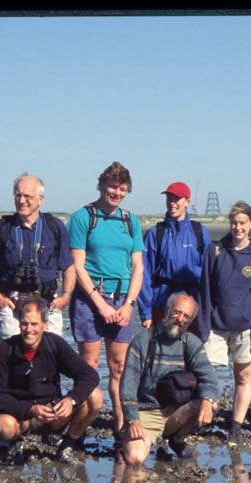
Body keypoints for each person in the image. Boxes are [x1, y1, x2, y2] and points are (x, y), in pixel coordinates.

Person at [67, 161, 144, 442]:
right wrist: (100, 304)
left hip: (123, 297)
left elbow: (138, 266)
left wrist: (129, 304)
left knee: (120, 366)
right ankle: (80, 426)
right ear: (101, 185)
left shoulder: (129, 220)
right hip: (90, 301)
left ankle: (122, 424)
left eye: (122, 188)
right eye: (112, 186)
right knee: (88, 365)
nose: (117, 192)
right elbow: (77, 265)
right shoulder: (82, 218)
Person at [0, 297, 104, 463]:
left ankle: (69, 444)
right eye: (24, 323)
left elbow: (89, 375)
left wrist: (71, 400)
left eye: (34, 324)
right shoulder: (5, 349)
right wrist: (31, 409)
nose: (28, 329)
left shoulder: (55, 344)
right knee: (2, 425)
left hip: (53, 414)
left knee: (95, 396)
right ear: (19, 323)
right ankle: (14, 443)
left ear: (44, 325)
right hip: (22, 416)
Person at [198, 201, 251, 443]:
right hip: (217, 327)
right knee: (206, 374)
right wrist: (203, 326)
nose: (238, 227)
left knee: (243, 376)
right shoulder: (215, 250)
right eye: (234, 223)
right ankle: (207, 413)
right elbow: (205, 290)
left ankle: (236, 426)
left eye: (242, 223)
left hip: (245, 328)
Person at [0, 173, 76, 341]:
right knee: (11, 360)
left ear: (40, 199)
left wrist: (66, 297)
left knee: (49, 360)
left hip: (48, 305)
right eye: (18, 195)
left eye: (27, 196)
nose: (22, 201)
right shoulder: (1, 228)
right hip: (12, 306)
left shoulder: (54, 227)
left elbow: (69, 267)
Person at [119, 293, 219, 466]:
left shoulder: (191, 342)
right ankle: (128, 439)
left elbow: (208, 376)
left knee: (211, 404)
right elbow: (128, 384)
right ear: (167, 310)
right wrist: (132, 419)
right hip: (147, 412)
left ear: (190, 321)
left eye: (186, 316)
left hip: (176, 410)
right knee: (134, 458)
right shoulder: (143, 340)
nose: (180, 319)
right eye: (177, 312)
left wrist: (207, 400)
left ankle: (178, 440)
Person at [137, 181, 211, 331]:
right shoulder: (155, 233)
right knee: (159, 351)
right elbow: (144, 276)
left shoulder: (199, 232)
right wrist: (146, 313)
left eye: (176, 199)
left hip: (191, 305)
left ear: (187, 202)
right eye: (169, 198)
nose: (172, 203)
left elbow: (209, 274)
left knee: (191, 350)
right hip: (162, 304)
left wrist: (208, 311)